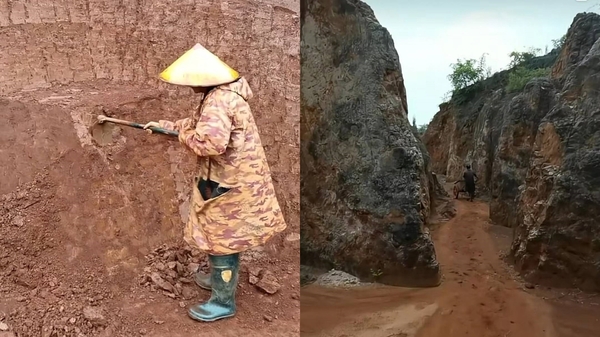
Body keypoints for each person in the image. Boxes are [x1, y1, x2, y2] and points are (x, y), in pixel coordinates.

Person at [143, 43, 287, 322]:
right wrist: (167, 126)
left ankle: (223, 301)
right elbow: (199, 124)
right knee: (221, 235)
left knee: (223, 239)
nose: (189, 87)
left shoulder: (220, 100)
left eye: (191, 82)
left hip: (231, 184)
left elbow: (209, 142)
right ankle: (219, 280)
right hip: (232, 180)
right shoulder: (223, 95)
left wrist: (182, 136)